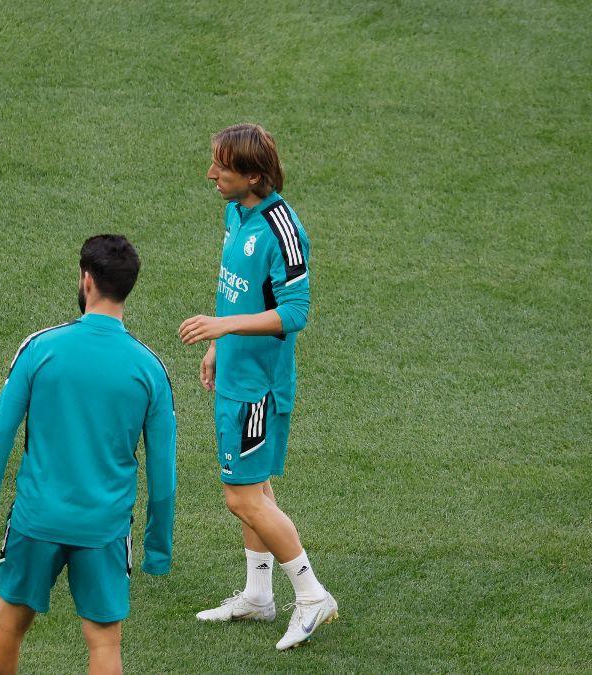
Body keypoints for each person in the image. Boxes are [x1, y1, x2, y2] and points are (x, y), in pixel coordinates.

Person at [0, 235, 177, 675]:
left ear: (86, 280)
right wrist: (157, 550)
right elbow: (164, 478)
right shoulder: (150, 369)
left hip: (36, 519)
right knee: (104, 643)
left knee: (9, 626)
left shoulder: (39, 348)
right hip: (104, 528)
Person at [178, 123, 336, 650]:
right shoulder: (236, 212)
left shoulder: (282, 231)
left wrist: (222, 328)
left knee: (243, 498)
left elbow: (295, 312)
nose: (210, 174)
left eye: (221, 167)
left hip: (257, 391)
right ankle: (259, 596)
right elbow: (241, 292)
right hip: (235, 373)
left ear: (254, 175)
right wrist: (219, 346)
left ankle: (312, 595)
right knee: (255, 491)